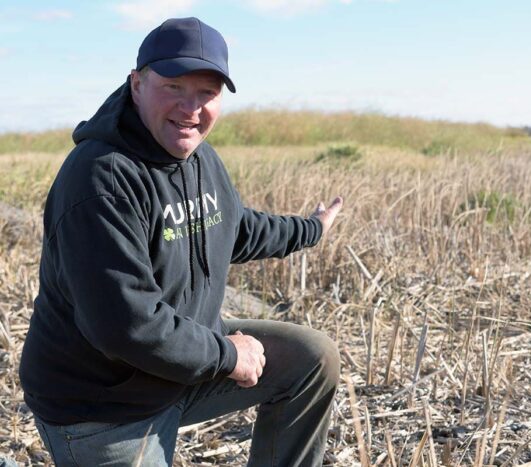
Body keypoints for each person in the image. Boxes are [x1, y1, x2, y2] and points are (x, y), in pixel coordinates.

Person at [19, 17, 343, 466]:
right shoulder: (101, 179)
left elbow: (232, 229)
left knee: (311, 358)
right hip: (103, 406)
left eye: (207, 93)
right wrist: (227, 355)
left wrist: (311, 229)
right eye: (173, 86)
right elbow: (126, 324)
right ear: (137, 84)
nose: (191, 108)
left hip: (174, 370)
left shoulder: (198, 157)